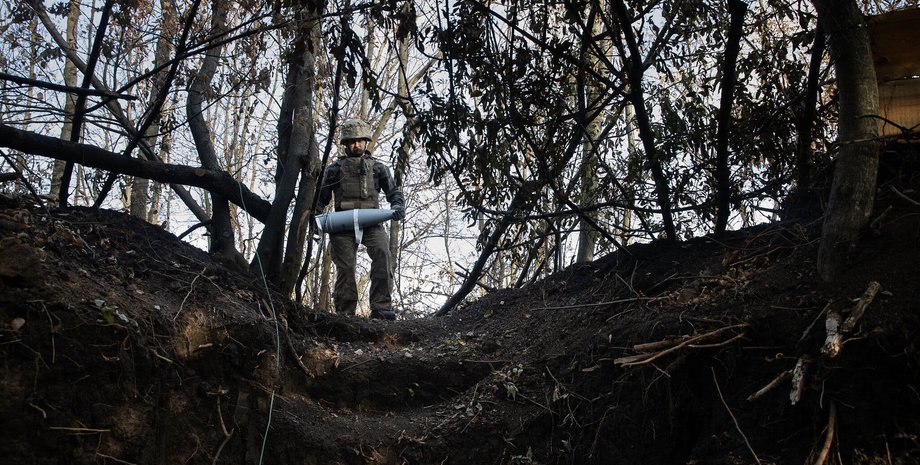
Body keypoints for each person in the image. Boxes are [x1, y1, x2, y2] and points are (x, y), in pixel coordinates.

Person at [316, 118, 405, 320]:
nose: (356, 145)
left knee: (383, 253)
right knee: (345, 266)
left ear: (366, 142)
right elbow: (320, 198)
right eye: (352, 141)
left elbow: (393, 192)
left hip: (372, 221)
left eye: (360, 141)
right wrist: (316, 219)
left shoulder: (378, 168)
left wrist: (398, 206)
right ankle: (345, 314)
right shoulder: (334, 169)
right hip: (342, 224)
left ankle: (381, 307)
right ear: (345, 144)